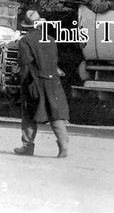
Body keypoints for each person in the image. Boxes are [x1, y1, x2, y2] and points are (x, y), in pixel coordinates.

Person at [14, 10, 69, 158]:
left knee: (29, 114)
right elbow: (54, 61)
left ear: (26, 26)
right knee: (56, 114)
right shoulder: (50, 39)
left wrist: (23, 82)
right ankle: (63, 145)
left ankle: (27, 147)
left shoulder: (25, 41)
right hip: (53, 82)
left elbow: (24, 64)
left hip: (35, 82)